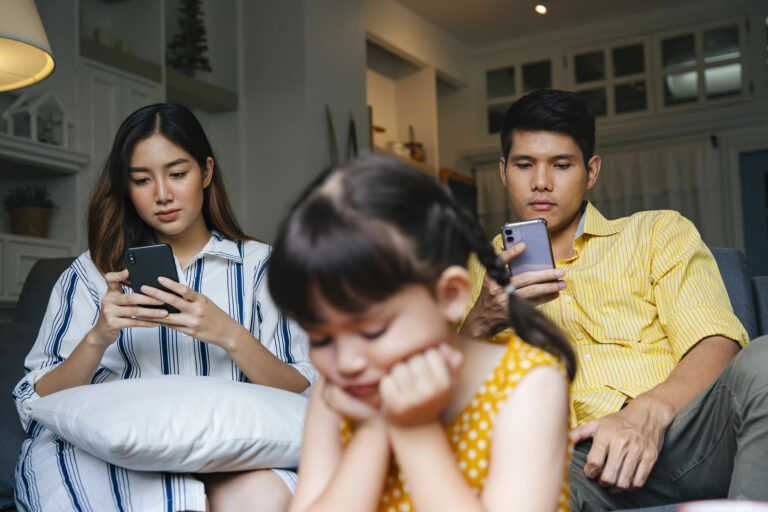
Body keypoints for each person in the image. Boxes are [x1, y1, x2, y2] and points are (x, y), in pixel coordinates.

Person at [462, 89, 768, 510]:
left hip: (685, 432)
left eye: (561, 165)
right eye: (524, 164)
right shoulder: (481, 271)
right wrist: (480, 321)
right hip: (571, 463)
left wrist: (647, 412)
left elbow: (718, 343)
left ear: (591, 171)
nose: (540, 182)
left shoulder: (657, 233)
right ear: (502, 170)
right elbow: (443, 400)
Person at [12, 103, 317, 512]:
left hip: (235, 447)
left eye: (177, 174)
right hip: (109, 454)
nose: (162, 195)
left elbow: (306, 390)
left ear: (206, 172)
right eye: (142, 179)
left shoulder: (265, 267)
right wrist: (98, 337)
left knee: (262, 497)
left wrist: (228, 333)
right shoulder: (90, 273)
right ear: (126, 186)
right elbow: (34, 403)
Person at [267, 155, 575, 512]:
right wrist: (372, 431)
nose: (346, 362)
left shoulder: (528, 385)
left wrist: (414, 430)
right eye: (320, 339)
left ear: (450, 296)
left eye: (373, 332)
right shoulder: (336, 393)